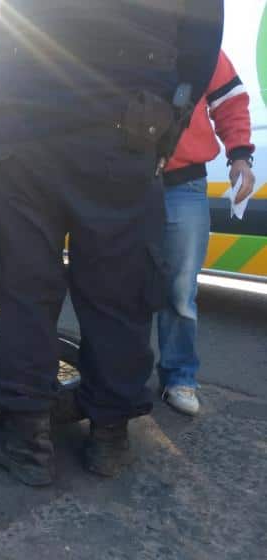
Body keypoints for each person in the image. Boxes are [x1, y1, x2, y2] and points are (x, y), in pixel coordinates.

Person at [0, 0, 224, 485]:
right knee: (117, 286)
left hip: (25, 124)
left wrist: (3, 94)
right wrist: (166, 122)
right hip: (124, 127)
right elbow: (201, 45)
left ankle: (27, 440)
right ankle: (109, 435)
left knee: (26, 285)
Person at [158, 50, 255, 416]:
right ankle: (122, 378)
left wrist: (240, 157)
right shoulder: (123, 27)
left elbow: (230, 100)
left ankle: (178, 377)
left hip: (183, 182)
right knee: (122, 286)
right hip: (124, 182)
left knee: (181, 290)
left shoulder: (198, 39)